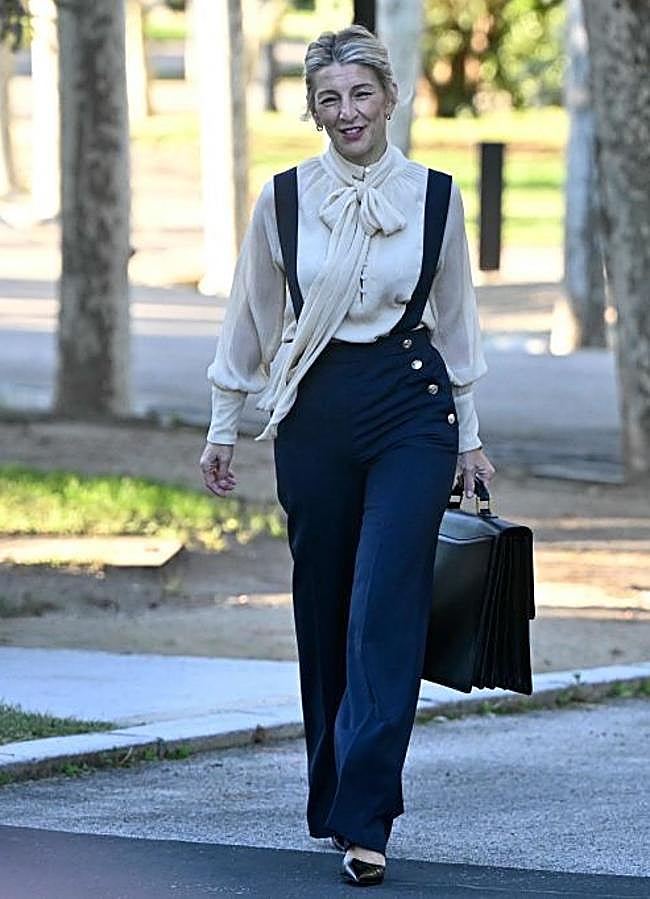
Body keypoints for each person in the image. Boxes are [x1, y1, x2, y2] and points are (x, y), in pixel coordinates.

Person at [200, 24, 495, 888]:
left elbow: (459, 320)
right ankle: (333, 797)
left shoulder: (437, 197)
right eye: (329, 98)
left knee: (383, 606)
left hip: (412, 409)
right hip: (316, 413)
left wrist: (470, 436)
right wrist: (224, 421)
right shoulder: (284, 199)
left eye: (361, 94)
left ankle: (368, 818)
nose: (346, 112)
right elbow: (248, 316)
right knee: (324, 608)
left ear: (391, 96)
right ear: (313, 108)